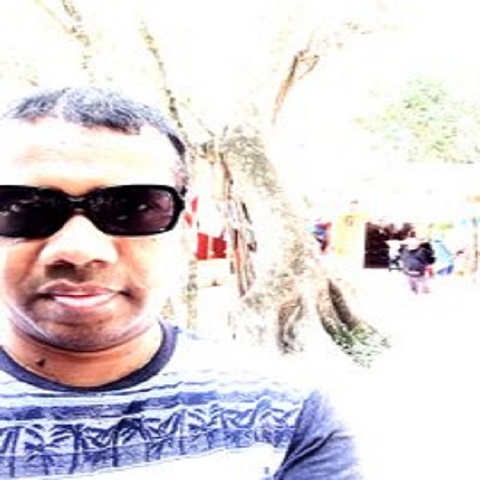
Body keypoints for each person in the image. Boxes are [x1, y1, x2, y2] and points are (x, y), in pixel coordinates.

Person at [0, 86, 362, 479]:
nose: (79, 249)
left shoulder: (285, 413)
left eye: (134, 208)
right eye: (21, 208)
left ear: (186, 228)